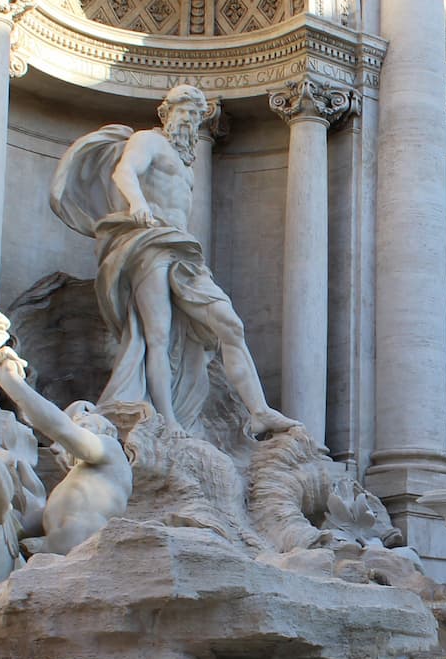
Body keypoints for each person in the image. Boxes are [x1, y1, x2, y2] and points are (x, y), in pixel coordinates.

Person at [48, 84, 299, 439]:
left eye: (197, 115)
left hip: (183, 251)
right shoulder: (149, 142)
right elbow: (124, 172)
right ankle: (166, 421)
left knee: (230, 325)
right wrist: (137, 203)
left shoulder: (187, 166)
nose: (191, 119)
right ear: (166, 113)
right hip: (150, 243)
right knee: (158, 335)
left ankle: (259, 411)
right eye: (184, 111)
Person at [0, 344, 133, 556]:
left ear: (107, 429)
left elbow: (60, 428)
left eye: (84, 422)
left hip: (82, 553)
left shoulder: (110, 449)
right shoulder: (79, 480)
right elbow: (27, 524)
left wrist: (9, 380)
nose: (77, 425)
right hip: (52, 555)